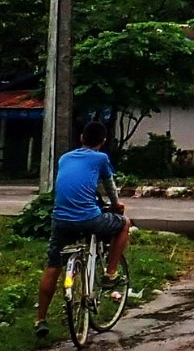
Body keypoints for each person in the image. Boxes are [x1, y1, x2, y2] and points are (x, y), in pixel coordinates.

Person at [35, 121, 131, 339]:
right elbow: (109, 187)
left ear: (81, 138)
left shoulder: (65, 158)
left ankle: (40, 319)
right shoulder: (101, 159)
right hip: (89, 219)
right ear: (103, 141)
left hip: (60, 220)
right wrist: (116, 206)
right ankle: (110, 274)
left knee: (53, 266)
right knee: (123, 223)